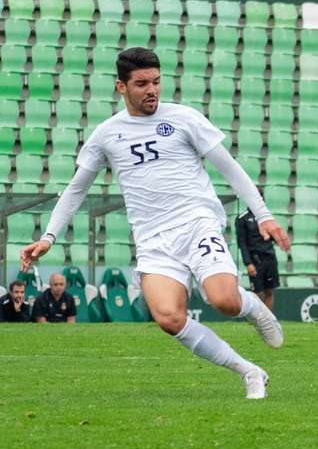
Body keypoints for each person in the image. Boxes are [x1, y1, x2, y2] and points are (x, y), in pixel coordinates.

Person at [20, 47, 291, 399]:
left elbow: (231, 169)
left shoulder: (184, 118)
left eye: (157, 82)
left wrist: (264, 215)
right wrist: (49, 237)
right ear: (121, 87)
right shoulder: (106, 134)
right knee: (169, 318)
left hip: (197, 223)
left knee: (223, 300)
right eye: (142, 83)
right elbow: (76, 189)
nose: (152, 90)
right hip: (153, 240)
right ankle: (249, 371)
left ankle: (254, 308)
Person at [236, 187, 280, 310]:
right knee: (257, 293)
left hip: (270, 257)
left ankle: (269, 320)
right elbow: (242, 243)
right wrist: (248, 263)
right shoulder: (242, 219)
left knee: (269, 291)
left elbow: (272, 237)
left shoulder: (266, 218)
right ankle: (258, 319)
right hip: (255, 260)